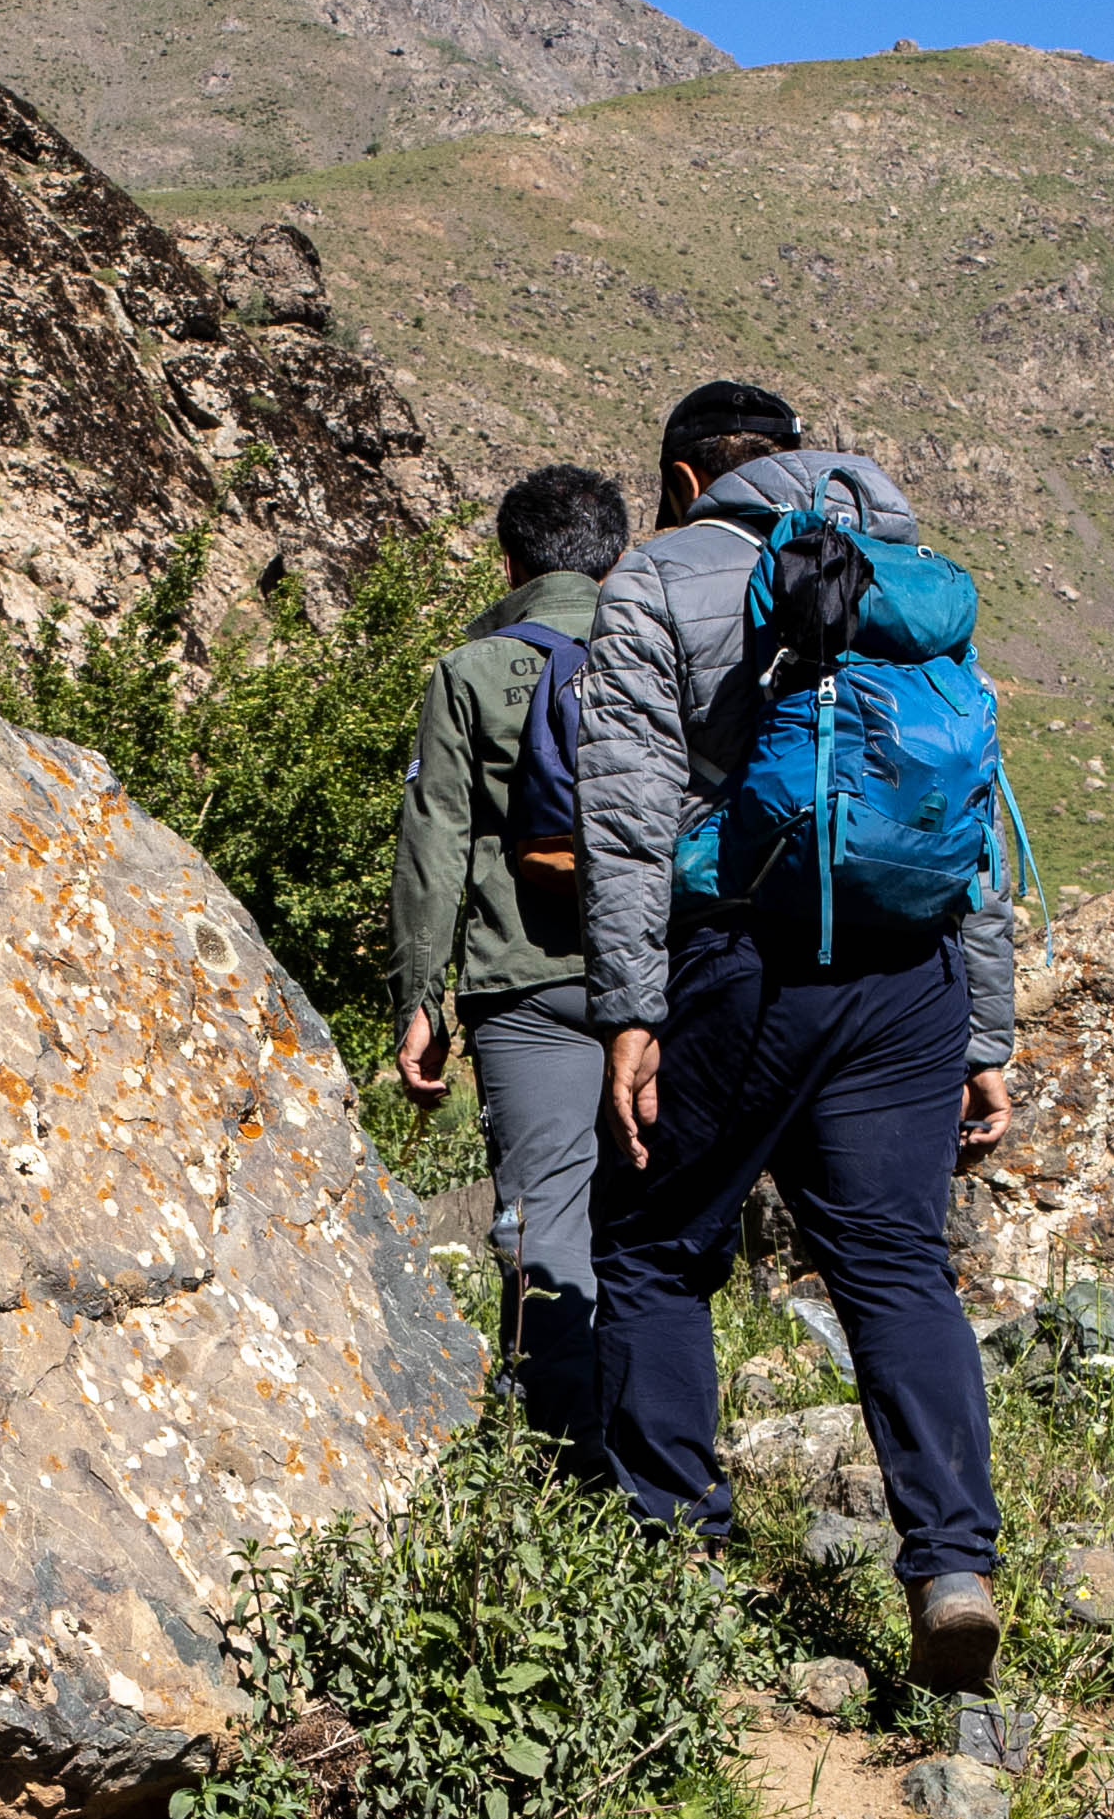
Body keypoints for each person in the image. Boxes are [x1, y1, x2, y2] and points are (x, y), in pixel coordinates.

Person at [571, 380, 1021, 1687]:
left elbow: (627, 813)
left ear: (682, 483)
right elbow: (974, 811)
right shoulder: (912, 583)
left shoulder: (660, 581)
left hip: (744, 961)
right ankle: (951, 1562)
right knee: (894, 1268)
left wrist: (628, 1007)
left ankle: (674, 1557)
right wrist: (985, 1027)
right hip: (909, 974)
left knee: (651, 1241)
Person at [389, 464, 635, 1454]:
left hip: (526, 983)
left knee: (542, 1232)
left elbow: (436, 842)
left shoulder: (473, 672)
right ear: (614, 559)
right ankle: (659, 1481)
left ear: (511, 561)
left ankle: (555, 1481)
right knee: (652, 1233)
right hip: (659, 987)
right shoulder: (660, 660)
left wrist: (420, 996)